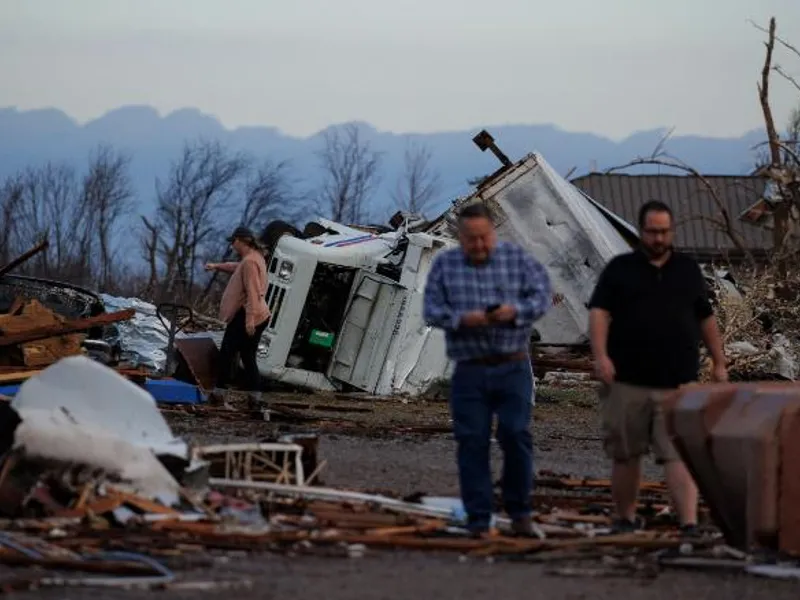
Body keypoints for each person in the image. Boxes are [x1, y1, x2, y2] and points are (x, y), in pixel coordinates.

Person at [587, 200, 728, 535]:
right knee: (625, 454)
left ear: (672, 231)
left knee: (678, 455)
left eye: (664, 231)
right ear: (641, 231)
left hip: (677, 383)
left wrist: (719, 361)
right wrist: (601, 356)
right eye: (652, 231)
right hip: (626, 382)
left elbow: (705, 316)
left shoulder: (688, 270)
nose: (659, 238)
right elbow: (599, 314)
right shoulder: (620, 269)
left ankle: (689, 523)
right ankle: (624, 519)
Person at [423, 202, 552, 537]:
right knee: (472, 441)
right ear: (460, 237)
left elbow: (542, 297)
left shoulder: (517, 260)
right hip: (470, 369)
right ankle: (479, 519)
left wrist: (515, 312)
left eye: (483, 238)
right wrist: (462, 320)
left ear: (493, 232)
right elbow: (431, 310)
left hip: (512, 365)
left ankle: (520, 513)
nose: (478, 245)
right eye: (471, 239)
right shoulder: (444, 265)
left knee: (516, 434)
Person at [205, 226, 271, 404]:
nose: (232, 246)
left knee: (227, 353)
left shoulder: (250, 262)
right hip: (259, 314)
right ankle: (254, 397)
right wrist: (217, 266)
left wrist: (249, 321)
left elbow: (253, 292)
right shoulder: (254, 258)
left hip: (248, 314)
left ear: (242, 241)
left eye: (233, 242)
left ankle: (218, 393)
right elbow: (237, 267)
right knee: (248, 356)